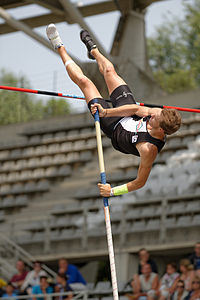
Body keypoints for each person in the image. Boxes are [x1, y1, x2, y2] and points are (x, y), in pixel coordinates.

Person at [46, 24, 182, 198]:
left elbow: (140, 182)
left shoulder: (149, 150)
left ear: (161, 130)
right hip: (127, 113)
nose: (153, 113)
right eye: (157, 112)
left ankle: (59, 46)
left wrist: (112, 191)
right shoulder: (159, 113)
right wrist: (107, 111)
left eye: (156, 118)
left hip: (115, 128)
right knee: (109, 71)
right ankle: (93, 51)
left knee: (85, 82)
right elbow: (135, 109)